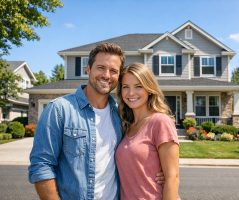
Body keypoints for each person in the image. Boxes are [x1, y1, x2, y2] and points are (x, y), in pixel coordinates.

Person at [28, 43, 163, 200]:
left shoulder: (121, 115)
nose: (106, 75)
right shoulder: (59, 110)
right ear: (88, 69)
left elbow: (135, 155)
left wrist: (159, 172)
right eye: (101, 68)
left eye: (113, 71)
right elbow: (41, 166)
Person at [115, 63, 180, 200]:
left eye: (138, 86)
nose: (131, 93)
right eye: (126, 87)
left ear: (149, 89)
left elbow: (172, 178)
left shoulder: (160, 122)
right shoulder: (127, 125)